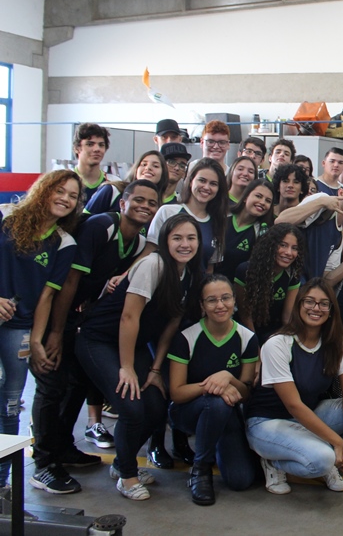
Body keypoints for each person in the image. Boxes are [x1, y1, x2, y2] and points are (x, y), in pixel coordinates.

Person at [31, 179, 157, 493]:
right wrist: (56, 331)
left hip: (79, 319)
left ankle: (63, 448)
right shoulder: (101, 227)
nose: (144, 206)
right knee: (51, 386)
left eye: (151, 203)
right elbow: (70, 282)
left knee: (76, 383)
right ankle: (44, 463)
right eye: (138, 200)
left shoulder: (137, 243)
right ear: (123, 203)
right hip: (54, 314)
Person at [77, 213, 204, 500]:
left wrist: (155, 369)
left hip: (133, 345)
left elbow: (171, 325)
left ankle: (123, 462)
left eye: (191, 238)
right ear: (165, 241)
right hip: (98, 340)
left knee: (156, 406)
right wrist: (127, 368)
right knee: (132, 407)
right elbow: (129, 317)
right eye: (177, 238)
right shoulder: (153, 264)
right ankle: (127, 476)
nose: (184, 244)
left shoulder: (190, 274)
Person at [245, 278, 343, 495]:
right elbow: (293, 405)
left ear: (331, 311)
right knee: (321, 460)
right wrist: (336, 441)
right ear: (299, 305)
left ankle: (328, 454)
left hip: (309, 415)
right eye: (309, 301)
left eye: (323, 303)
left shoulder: (335, 343)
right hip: (268, 422)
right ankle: (274, 462)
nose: (316, 308)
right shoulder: (278, 343)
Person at [1, 171, 81, 491]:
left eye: (73, 196)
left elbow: (48, 295)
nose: (65, 199)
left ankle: (2, 484)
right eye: (60, 191)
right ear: (43, 190)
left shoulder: (64, 242)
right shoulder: (6, 218)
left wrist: (36, 341)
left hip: (19, 328)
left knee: (10, 404)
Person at [168, 275, 258, 504]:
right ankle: (201, 470)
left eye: (226, 298)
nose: (220, 305)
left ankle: (216, 444)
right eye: (212, 300)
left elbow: (245, 393)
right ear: (202, 305)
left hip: (226, 413)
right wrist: (212, 386)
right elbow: (176, 393)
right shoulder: (186, 337)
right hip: (187, 412)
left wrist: (228, 377)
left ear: (234, 300)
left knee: (241, 480)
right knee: (216, 402)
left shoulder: (247, 338)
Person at [277, 176, 343, 279]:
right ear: (341, 192)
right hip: (284, 279)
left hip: (305, 287)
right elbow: (280, 221)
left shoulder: (339, 237)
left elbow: (327, 281)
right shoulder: (323, 200)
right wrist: (321, 202)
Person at [148, 157, 228, 271]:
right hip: (165, 280)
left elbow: (209, 269)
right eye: (202, 180)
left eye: (213, 184)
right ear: (190, 181)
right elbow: (149, 252)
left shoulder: (217, 222)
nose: (206, 187)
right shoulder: (167, 212)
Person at [235, 223, 304, 345]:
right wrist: (255, 345)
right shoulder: (245, 270)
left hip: (274, 334)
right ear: (270, 245)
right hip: (247, 333)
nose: (289, 252)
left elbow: (287, 317)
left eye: (294, 248)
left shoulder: (292, 275)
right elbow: (245, 316)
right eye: (283, 245)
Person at [216, 179, 274, 282]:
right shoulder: (222, 216)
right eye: (258, 196)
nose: (262, 202)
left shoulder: (262, 232)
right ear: (246, 197)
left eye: (268, 201)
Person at [84, 150, 167, 216]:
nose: (148, 168)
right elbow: (84, 219)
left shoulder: (161, 208)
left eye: (155, 166)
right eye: (144, 164)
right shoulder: (112, 190)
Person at [70, 123, 110, 202]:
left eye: (101, 145)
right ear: (76, 148)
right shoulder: (63, 182)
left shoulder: (113, 184)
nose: (97, 149)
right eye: (90, 144)